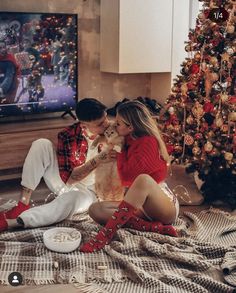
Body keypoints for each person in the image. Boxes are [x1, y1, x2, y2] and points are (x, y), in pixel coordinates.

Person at [0, 98, 116, 231]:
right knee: (41, 144)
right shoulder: (68, 135)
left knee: (71, 200)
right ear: (84, 126)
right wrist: (98, 159)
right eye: (100, 124)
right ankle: (23, 203)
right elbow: (70, 179)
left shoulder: (115, 130)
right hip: (68, 182)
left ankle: (17, 222)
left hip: (93, 193)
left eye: (106, 118)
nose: (107, 124)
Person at [80, 100, 179, 253]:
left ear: (130, 127)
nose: (113, 125)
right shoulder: (129, 138)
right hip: (142, 208)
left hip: (163, 207)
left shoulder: (147, 142)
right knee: (95, 209)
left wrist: (120, 156)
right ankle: (154, 228)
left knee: (143, 179)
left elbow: (129, 176)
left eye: (118, 123)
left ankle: (104, 236)